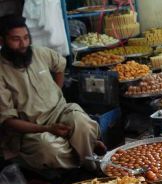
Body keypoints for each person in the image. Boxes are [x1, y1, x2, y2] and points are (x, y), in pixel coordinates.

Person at [0, 15, 106, 170]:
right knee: (49, 149)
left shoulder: (39, 53)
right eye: (15, 39)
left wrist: (58, 89)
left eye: (26, 37)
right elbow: (9, 121)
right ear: (2, 41)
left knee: (83, 123)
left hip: (59, 112)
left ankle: (89, 164)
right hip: (32, 127)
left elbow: (60, 66)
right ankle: (84, 148)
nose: (23, 44)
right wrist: (48, 129)